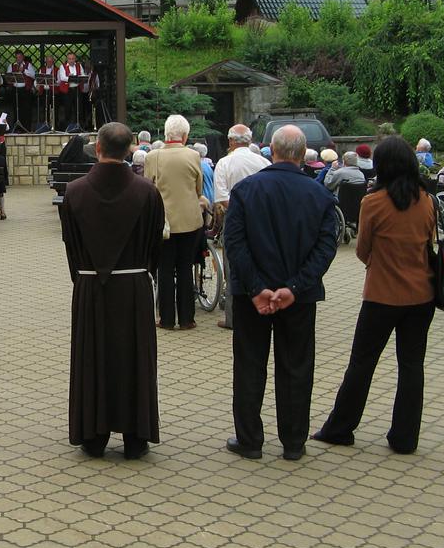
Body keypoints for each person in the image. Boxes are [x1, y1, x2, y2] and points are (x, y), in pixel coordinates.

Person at [312, 136, 437, 455]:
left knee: (362, 363)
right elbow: (430, 239)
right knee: (412, 366)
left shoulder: (374, 202)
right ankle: (405, 437)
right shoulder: (426, 199)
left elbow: (363, 249)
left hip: (382, 294)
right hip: (422, 294)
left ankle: (341, 427)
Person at [222, 125, 338, 461]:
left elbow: (234, 243)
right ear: (303, 155)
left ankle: (250, 439)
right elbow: (325, 248)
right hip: (298, 298)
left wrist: (257, 288)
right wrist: (294, 287)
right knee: (297, 367)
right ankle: (293, 441)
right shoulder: (320, 195)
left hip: (251, 296)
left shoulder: (245, 191)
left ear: (271, 151)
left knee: (249, 365)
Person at [60, 121, 165, 459]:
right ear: (131, 149)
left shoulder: (74, 192)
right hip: (134, 286)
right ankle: (136, 436)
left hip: (91, 285)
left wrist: (84, 279)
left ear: (99, 149)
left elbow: (71, 247)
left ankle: (94, 434)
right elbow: (154, 244)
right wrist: (143, 273)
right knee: (134, 357)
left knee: (94, 357)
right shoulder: (147, 191)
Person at [143, 115, 206, 331]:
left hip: (164, 221)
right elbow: (198, 188)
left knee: (166, 269)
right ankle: (188, 318)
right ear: (185, 135)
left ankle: (167, 319)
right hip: (190, 219)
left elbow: (148, 188)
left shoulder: (153, 156)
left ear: (165, 132)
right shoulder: (194, 155)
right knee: (186, 267)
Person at [212, 124, 268, 330]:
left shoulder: (225, 163)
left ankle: (233, 319)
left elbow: (221, 197)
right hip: (262, 221)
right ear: (250, 140)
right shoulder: (263, 162)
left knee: (232, 267)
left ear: (230, 141)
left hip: (235, 219)